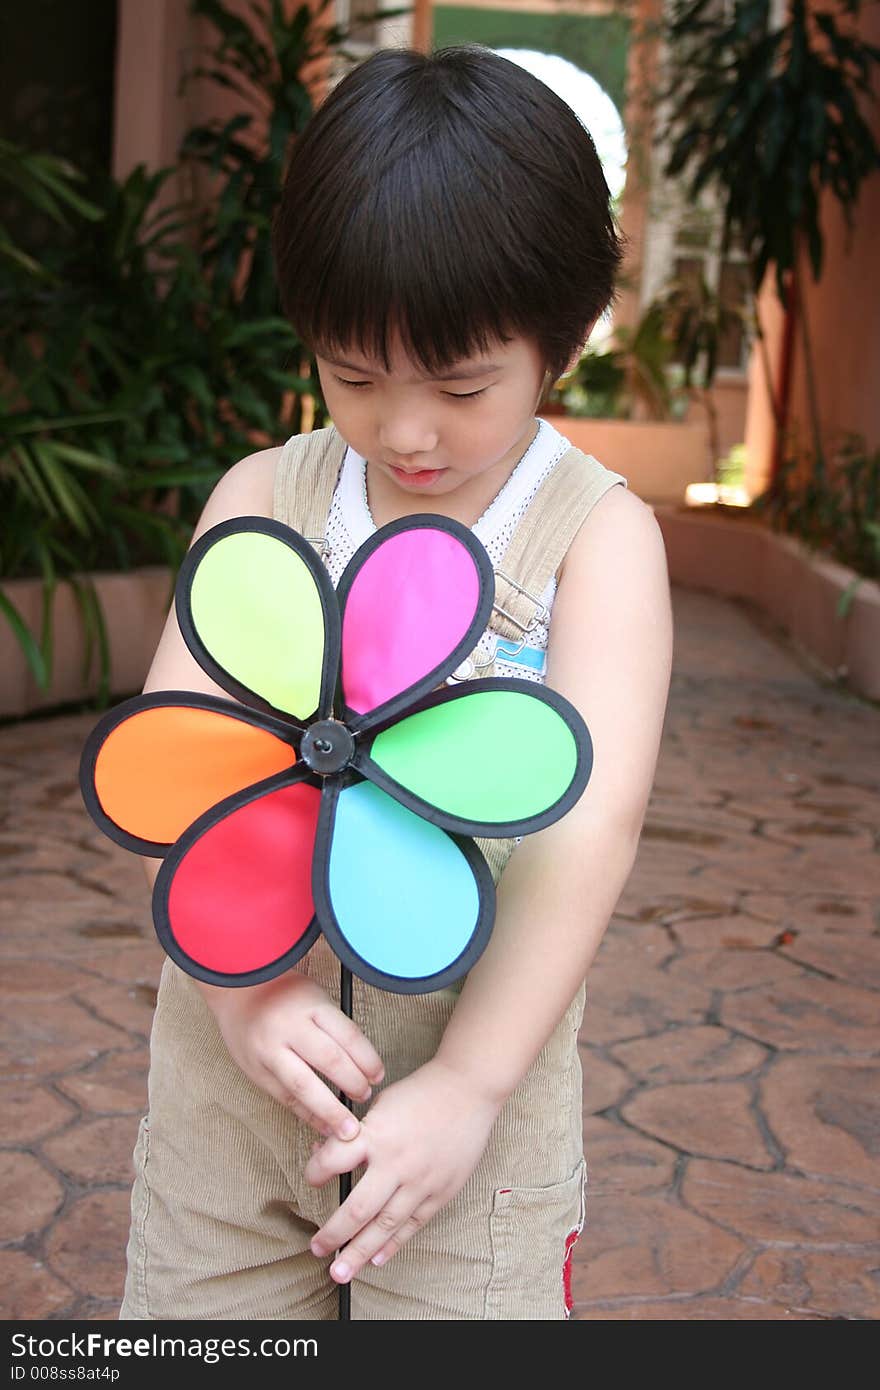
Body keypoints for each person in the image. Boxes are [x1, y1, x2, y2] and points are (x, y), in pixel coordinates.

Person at [119, 44, 672, 1321]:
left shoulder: (594, 540)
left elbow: (590, 832)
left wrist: (470, 1085)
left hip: (471, 1116)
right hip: (237, 1094)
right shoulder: (266, 498)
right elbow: (174, 758)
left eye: (462, 384)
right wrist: (245, 993)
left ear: (565, 337)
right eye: (355, 376)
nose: (407, 430)